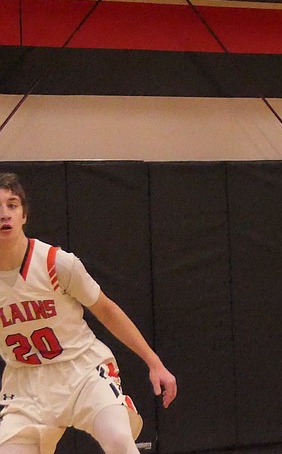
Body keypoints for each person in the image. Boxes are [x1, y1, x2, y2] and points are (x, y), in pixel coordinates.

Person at [0, 172, 177, 454]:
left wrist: (154, 362)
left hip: (82, 371)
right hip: (26, 385)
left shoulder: (56, 263)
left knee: (120, 440)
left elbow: (106, 310)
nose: (4, 214)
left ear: (24, 215)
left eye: (12, 205)